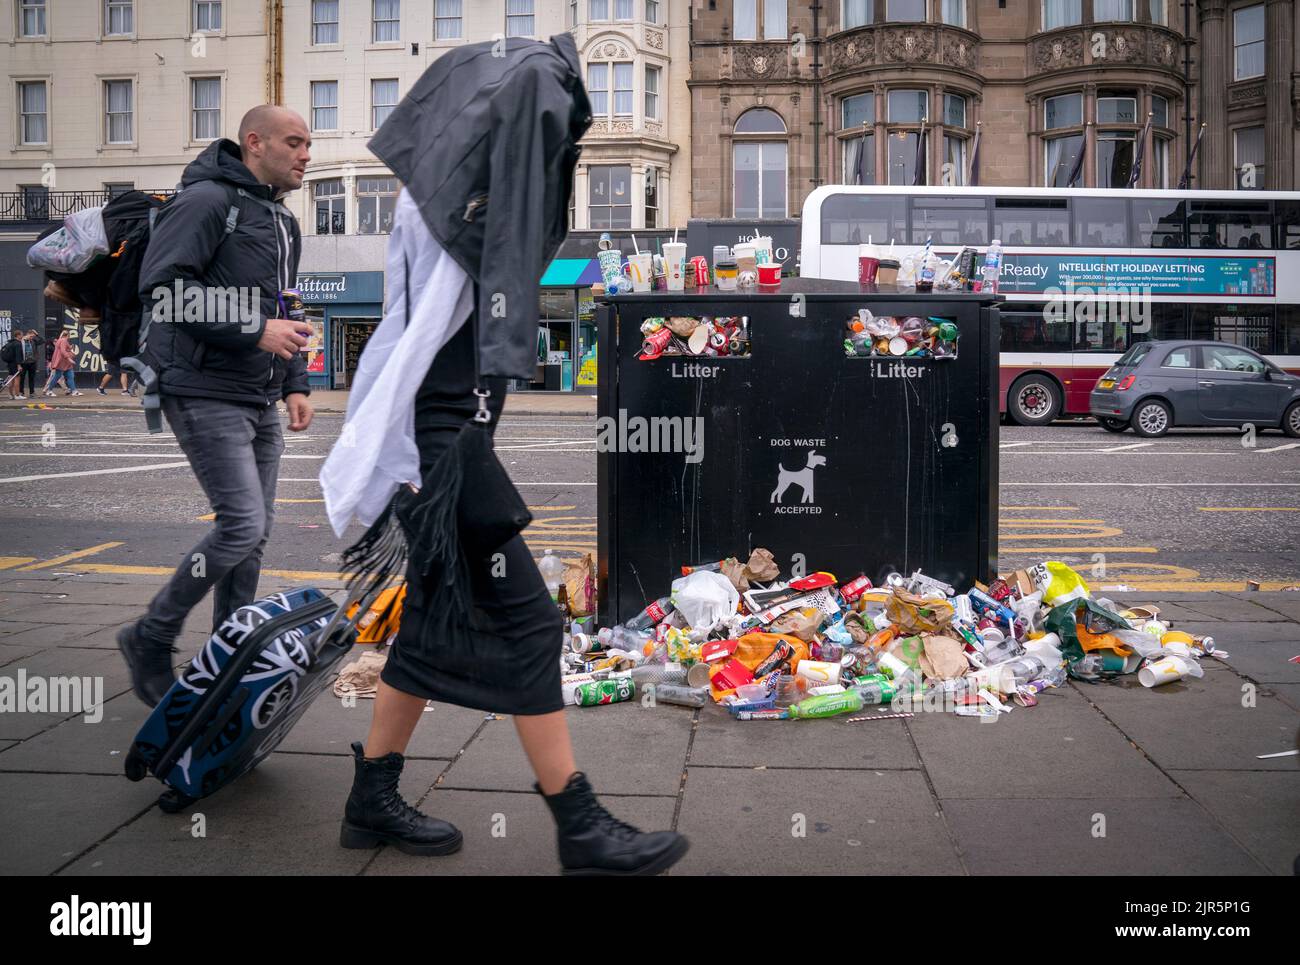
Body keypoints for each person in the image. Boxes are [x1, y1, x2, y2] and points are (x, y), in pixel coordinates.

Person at [321, 34, 687, 877]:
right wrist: (485, 409)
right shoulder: (523, 117)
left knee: (432, 618)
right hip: (442, 442)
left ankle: (370, 795)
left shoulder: (438, 190)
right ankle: (581, 824)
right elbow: (511, 256)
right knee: (525, 618)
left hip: (430, 433)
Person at [116, 105, 315, 707]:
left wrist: (295, 382)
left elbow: (287, 306)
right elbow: (166, 288)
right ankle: (151, 635)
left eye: (308, 144)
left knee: (253, 539)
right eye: (295, 143)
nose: (307, 155)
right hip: (200, 388)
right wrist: (256, 330)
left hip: (257, 393)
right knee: (242, 526)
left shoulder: (281, 221)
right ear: (254, 143)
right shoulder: (206, 201)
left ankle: (230, 654)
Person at [42, 330, 80, 396]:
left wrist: (69, 348)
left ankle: (74, 391)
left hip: (65, 363)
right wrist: (69, 358)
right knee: (58, 376)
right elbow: (62, 351)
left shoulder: (60, 340)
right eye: (69, 336)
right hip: (62, 362)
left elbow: (62, 349)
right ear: (68, 335)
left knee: (70, 376)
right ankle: (49, 390)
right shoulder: (63, 340)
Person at [17, 330, 42, 398]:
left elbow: (42, 341)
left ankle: (32, 392)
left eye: (33, 337)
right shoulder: (21, 341)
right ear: (27, 334)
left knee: (32, 378)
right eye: (31, 336)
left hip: (32, 362)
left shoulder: (34, 341)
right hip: (24, 362)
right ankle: (21, 392)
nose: (31, 338)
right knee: (22, 378)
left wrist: (37, 334)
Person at [1, 331, 21, 399]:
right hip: (15, 363)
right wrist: (19, 365)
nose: (22, 336)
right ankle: (17, 395)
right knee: (17, 379)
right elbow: (18, 355)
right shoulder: (17, 344)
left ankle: (11, 395)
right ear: (18, 335)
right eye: (21, 335)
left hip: (10, 363)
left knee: (11, 378)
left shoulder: (10, 343)